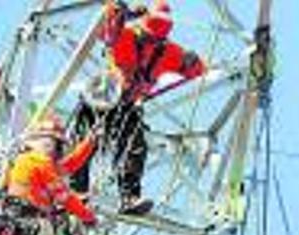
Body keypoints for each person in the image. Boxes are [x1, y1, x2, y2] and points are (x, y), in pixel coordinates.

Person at [72, 0, 206, 214]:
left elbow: (197, 71)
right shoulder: (124, 34)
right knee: (84, 142)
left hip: (127, 105)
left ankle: (129, 198)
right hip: (103, 97)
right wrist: (121, 10)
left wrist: (193, 63)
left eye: (155, 39)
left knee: (135, 147)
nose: (150, 42)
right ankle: (77, 192)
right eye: (148, 37)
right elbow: (105, 25)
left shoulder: (168, 51)